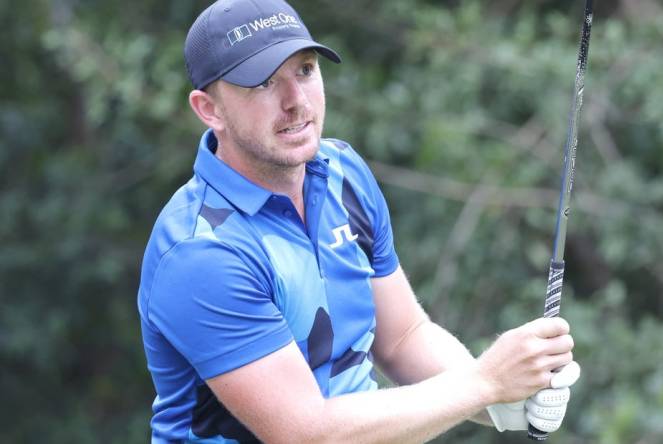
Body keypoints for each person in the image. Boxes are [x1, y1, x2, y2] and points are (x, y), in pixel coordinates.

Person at [137, 0, 580, 442]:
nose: (295, 101)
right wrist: (484, 382)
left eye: (306, 70)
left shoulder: (342, 173)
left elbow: (404, 337)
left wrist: (505, 402)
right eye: (264, 83)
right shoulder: (201, 251)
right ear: (209, 109)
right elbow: (307, 434)